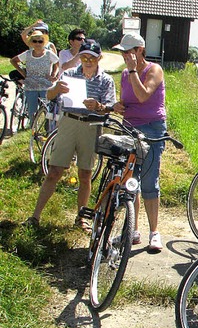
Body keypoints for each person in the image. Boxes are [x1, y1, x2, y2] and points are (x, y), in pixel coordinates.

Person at [25, 40, 116, 228]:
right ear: (79, 57)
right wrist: (56, 89)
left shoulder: (106, 80)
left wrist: (98, 106)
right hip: (69, 122)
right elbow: (49, 97)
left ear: (99, 58)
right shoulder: (69, 74)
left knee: (85, 174)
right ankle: (35, 217)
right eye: (84, 57)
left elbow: (110, 107)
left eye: (92, 57)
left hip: (90, 127)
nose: (88, 61)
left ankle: (81, 218)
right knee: (54, 171)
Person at [112, 33, 167, 253]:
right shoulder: (125, 74)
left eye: (130, 50)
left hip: (152, 128)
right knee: (129, 181)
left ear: (141, 50)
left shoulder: (153, 70)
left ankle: (154, 232)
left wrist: (134, 70)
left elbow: (144, 96)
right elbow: (126, 100)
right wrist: (117, 106)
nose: (126, 55)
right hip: (129, 128)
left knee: (148, 181)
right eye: (123, 52)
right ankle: (132, 230)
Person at [10, 30, 59, 122]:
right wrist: (23, 73)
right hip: (31, 86)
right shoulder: (27, 54)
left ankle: (46, 130)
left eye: (40, 41)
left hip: (45, 86)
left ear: (44, 42)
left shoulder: (49, 54)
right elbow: (13, 61)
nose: (37, 43)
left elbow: (58, 63)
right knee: (32, 112)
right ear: (31, 42)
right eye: (34, 41)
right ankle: (33, 130)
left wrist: (53, 75)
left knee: (47, 110)